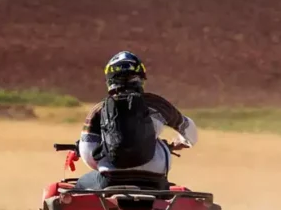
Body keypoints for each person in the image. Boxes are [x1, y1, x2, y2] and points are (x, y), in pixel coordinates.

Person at [74, 51, 199, 190]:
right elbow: (191, 133)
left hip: (111, 179)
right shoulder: (158, 104)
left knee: (79, 185)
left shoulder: (99, 109)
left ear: (109, 79)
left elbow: (87, 152)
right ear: (140, 78)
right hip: (155, 179)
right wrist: (180, 143)